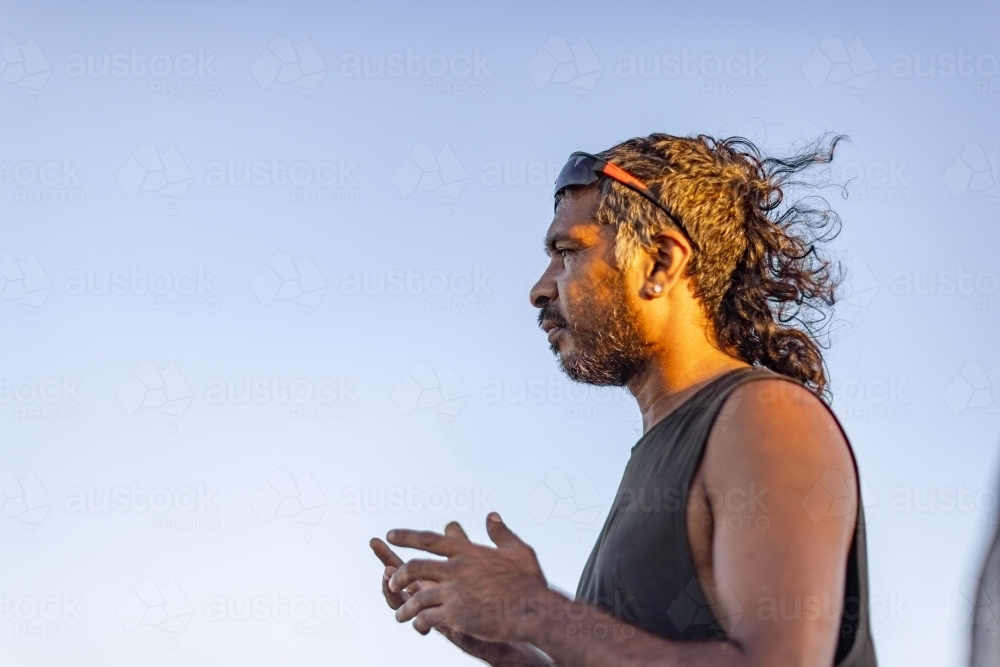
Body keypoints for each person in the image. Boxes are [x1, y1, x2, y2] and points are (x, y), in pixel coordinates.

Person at [370, 133, 877, 666]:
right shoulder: (663, 451)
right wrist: (518, 654)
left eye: (567, 252)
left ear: (659, 262)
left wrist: (537, 611)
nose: (540, 289)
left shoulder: (764, 416)